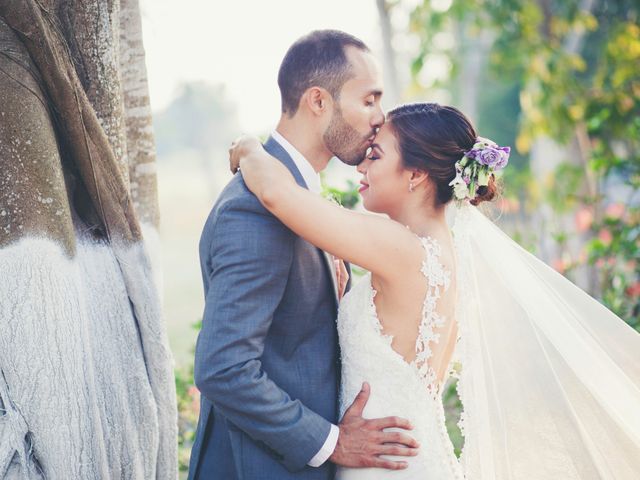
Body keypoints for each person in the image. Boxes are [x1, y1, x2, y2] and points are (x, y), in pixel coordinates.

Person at [230, 101, 640, 479]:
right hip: (410, 456)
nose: (360, 168)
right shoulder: (442, 252)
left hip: (386, 463)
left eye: (375, 156)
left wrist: (249, 148)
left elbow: (277, 194)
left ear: (415, 175)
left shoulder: (399, 247)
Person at [188, 30, 418, 480]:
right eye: (369, 100)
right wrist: (332, 442)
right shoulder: (254, 210)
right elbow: (224, 368)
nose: (380, 117)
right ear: (318, 101)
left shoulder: (300, 200)